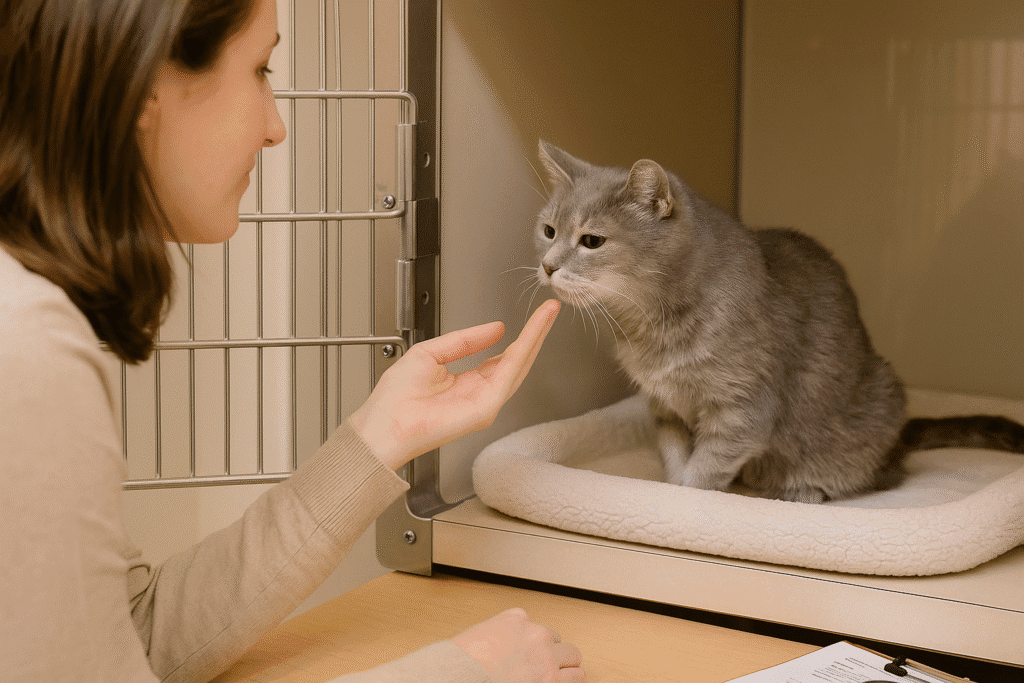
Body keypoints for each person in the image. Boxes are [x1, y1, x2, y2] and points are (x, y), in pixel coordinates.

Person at [0, 1, 585, 682]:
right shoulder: (26, 351)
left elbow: (133, 633)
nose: (275, 126)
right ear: (143, 86)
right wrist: (463, 673)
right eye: (260, 68)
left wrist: (378, 437)